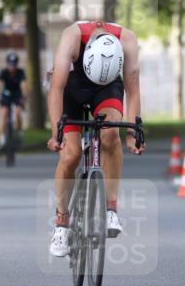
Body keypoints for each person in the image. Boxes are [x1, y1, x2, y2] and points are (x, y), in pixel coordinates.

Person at [45, 21, 144, 258]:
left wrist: (132, 134)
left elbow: (133, 91)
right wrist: (55, 133)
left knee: (110, 134)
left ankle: (111, 208)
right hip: (72, 85)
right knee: (70, 155)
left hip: (108, 87)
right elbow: (56, 89)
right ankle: (61, 222)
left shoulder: (127, 40)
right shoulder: (72, 37)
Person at [0, 52, 28, 149]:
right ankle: (2, 141)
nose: (12, 67)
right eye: (10, 64)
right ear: (7, 64)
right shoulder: (3, 72)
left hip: (17, 95)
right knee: (4, 114)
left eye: (14, 64)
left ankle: (20, 134)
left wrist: (23, 97)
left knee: (18, 113)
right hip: (6, 94)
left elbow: (24, 85)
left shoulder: (21, 72)